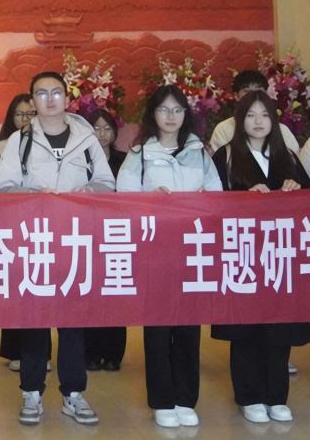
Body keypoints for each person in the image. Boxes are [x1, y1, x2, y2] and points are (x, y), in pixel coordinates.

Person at [0, 72, 113, 428]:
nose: (49, 99)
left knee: (73, 323)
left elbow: (108, 184)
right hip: (35, 244)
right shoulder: (20, 141)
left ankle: (73, 393)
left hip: (76, 243)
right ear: (32, 101)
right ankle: (31, 391)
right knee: (35, 321)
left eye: (56, 92)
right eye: (41, 94)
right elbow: (1, 189)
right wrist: (33, 195)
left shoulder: (86, 140)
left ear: (66, 97)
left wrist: (90, 192)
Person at [117, 85, 221, 428]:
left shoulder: (199, 152)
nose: (171, 116)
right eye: (164, 110)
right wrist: (150, 199)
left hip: (193, 251)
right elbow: (123, 200)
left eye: (177, 110)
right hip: (156, 253)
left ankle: (186, 398)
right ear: (153, 114)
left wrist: (204, 199)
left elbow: (218, 196)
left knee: (189, 328)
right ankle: (162, 400)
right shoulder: (139, 154)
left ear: (186, 114)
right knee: (159, 329)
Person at [209, 92, 310, 423]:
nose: (258, 122)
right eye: (251, 115)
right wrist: (244, 197)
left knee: (279, 329)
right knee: (247, 329)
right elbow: (212, 203)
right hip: (244, 254)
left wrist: (296, 188)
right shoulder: (226, 156)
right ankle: (249, 395)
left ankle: (276, 396)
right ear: (240, 120)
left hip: (281, 255)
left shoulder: (288, 156)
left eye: (265, 115)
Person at [0, 93, 33, 371]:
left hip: (39, 228)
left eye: (30, 114)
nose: (25, 119)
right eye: (19, 114)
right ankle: (14, 350)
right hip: (9, 227)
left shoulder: (45, 146)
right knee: (15, 289)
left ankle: (38, 353)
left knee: (37, 288)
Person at [83, 108, 127, 372]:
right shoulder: (81, 160)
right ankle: (91, 352)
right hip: (88, 234)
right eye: (96, 128)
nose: (101, 133)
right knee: (90, 294)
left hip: (117, 234)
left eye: (107, 128)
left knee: (115, 293)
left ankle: (113, 353)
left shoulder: (124, 159)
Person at [208, 70, 299, 155]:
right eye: (247, 92)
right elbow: (218, 162)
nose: (253, 96)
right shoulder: (223, 129)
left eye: (259, 91)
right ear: (236, 96)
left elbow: (294, 161)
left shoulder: (282, 130)